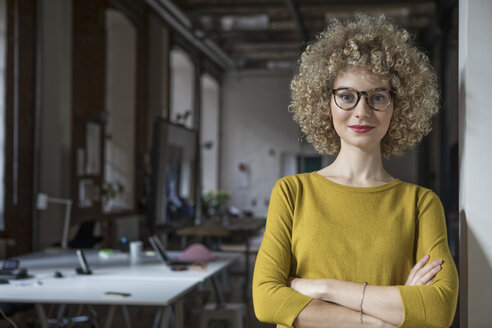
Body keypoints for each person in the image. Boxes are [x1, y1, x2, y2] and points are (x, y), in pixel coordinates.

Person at [252, 14, 459, 328]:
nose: (361, 112)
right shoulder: (292, 193)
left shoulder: (421, 204)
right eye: (346, 96)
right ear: (326, 103)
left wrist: (324, 288)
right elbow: (267, 300)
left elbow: (439, 309)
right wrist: (379, 317)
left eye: (377, 97)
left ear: (398, 106)